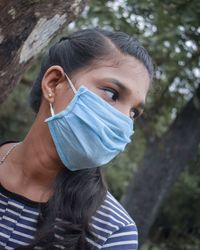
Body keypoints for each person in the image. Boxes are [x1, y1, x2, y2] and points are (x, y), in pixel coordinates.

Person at [0, 28, 153, 250]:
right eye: (113, 94)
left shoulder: (113, 232)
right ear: (53, 83)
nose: (123, 121)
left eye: (133, 113)